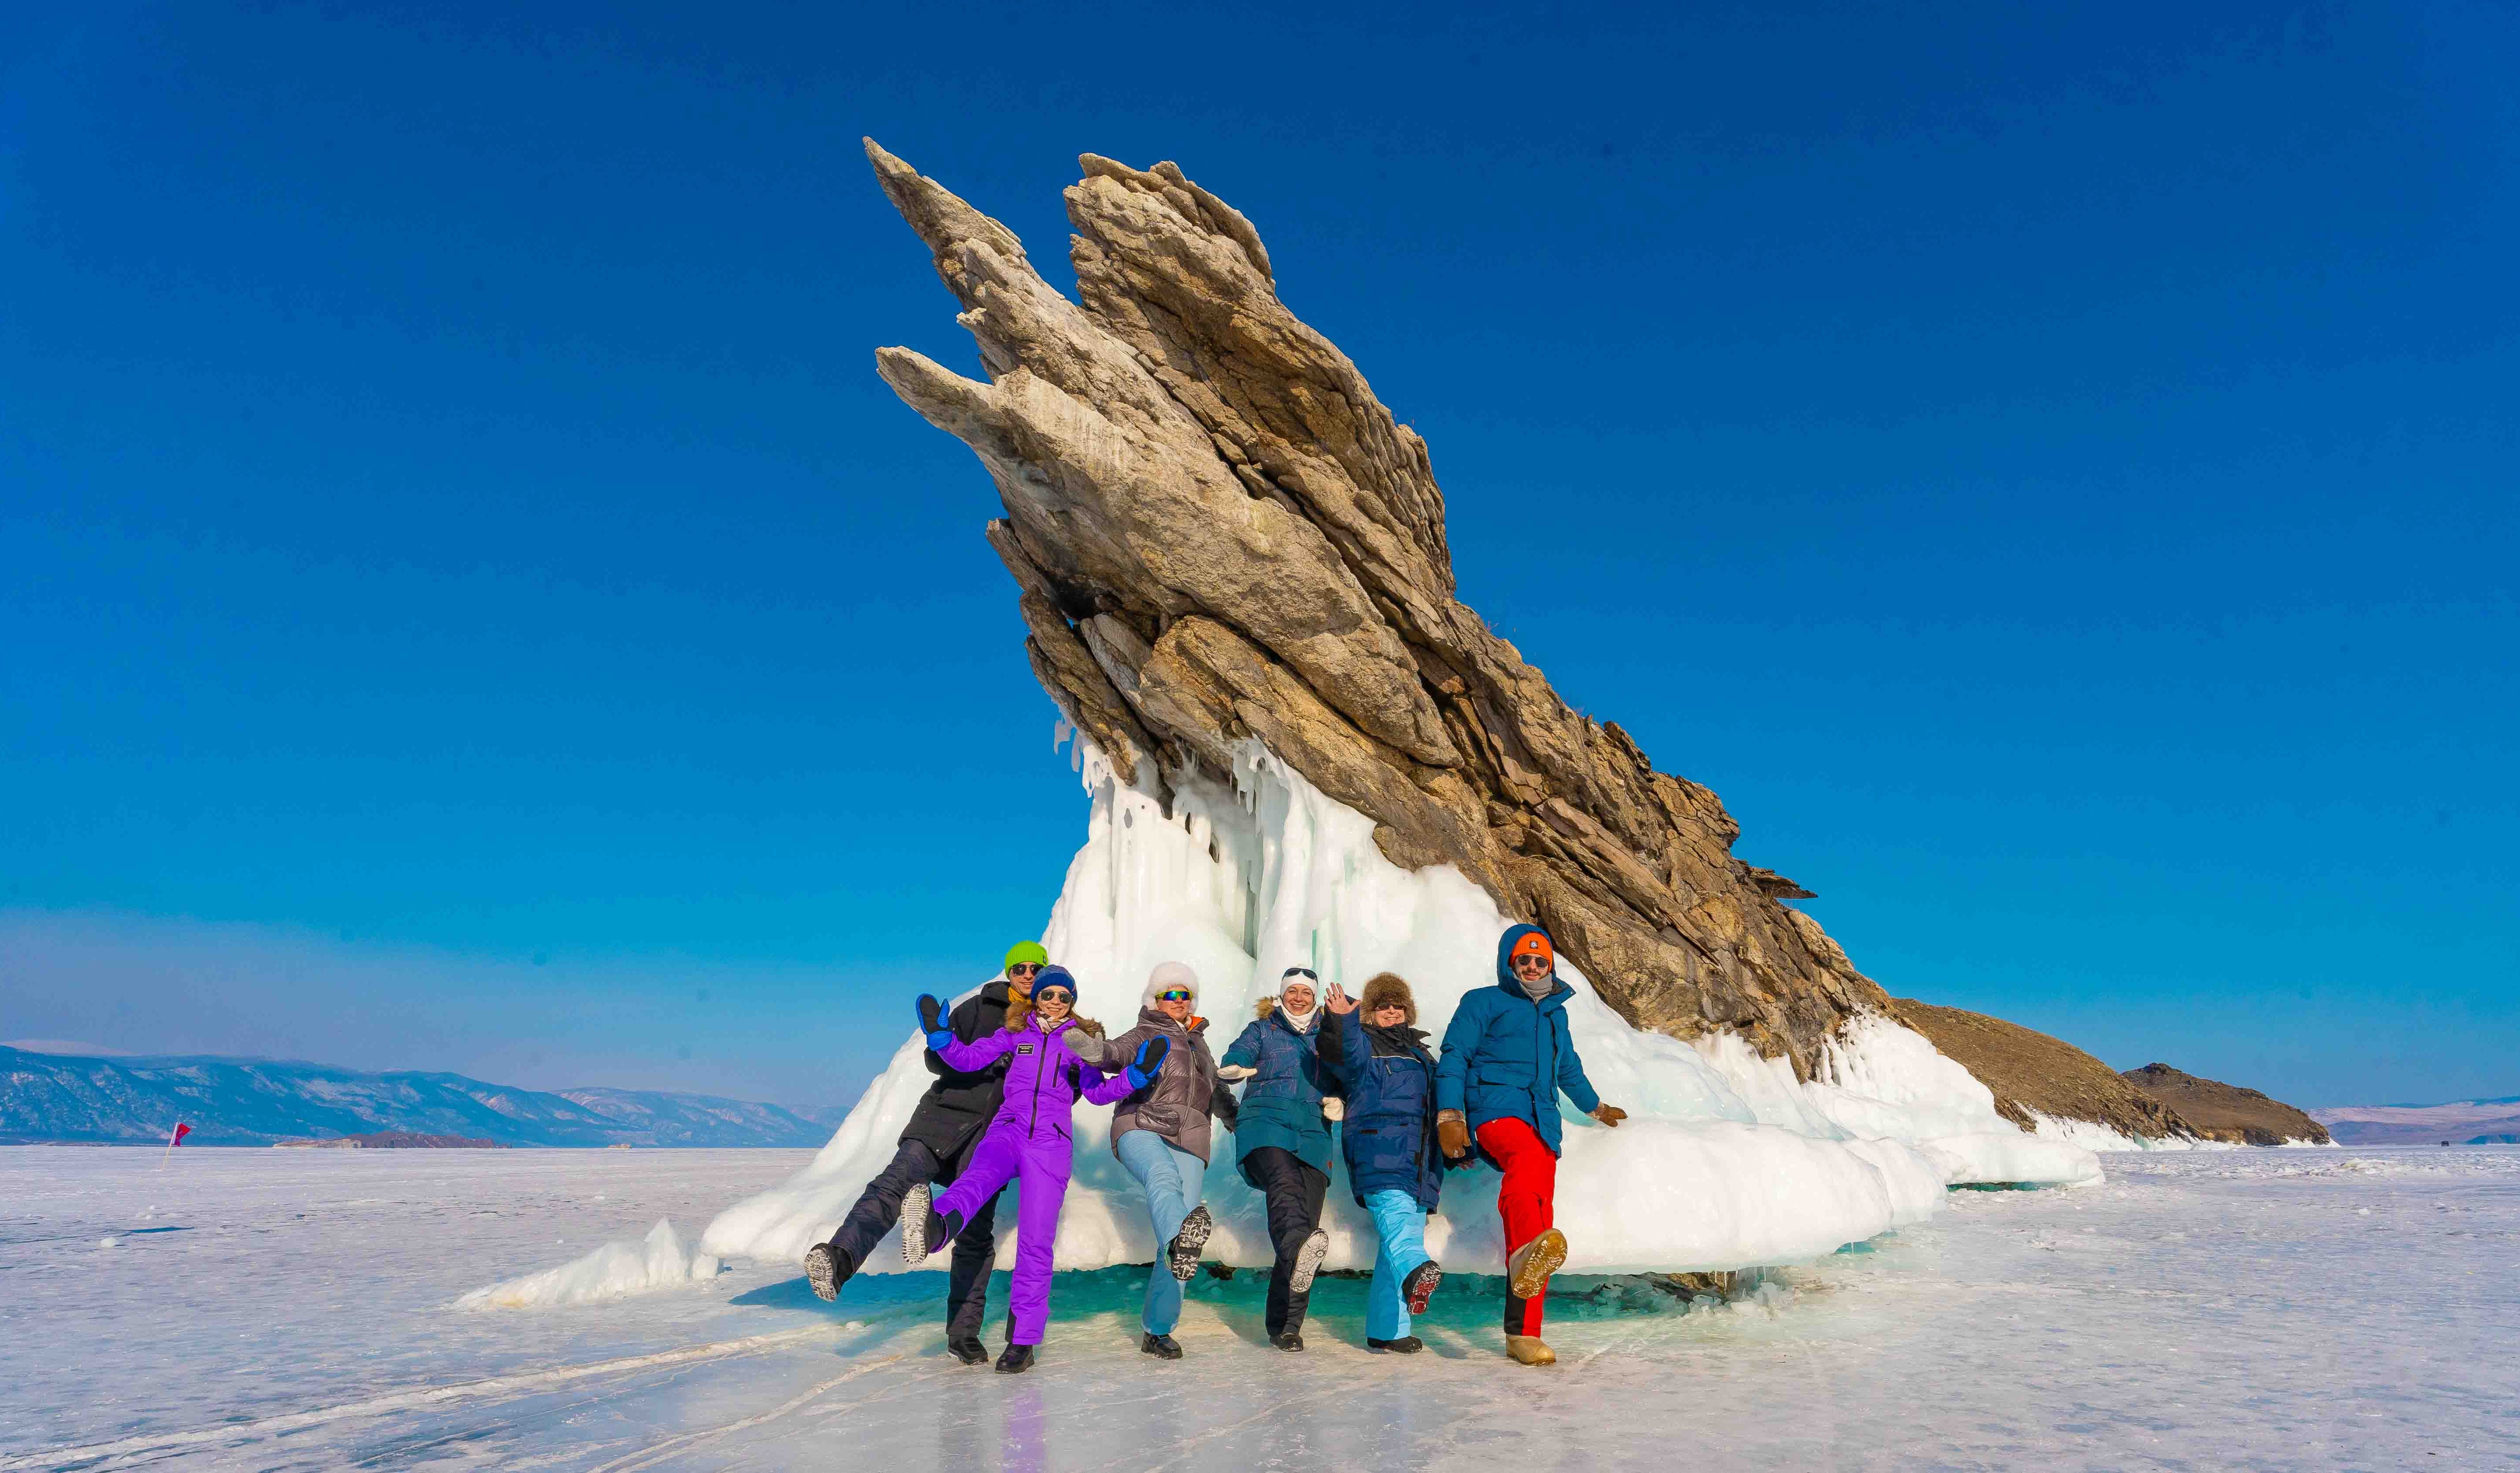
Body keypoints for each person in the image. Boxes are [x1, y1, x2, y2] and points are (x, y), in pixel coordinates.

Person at [899, 965, 1166, 1373]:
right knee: (974, 1181)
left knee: (1036, 1241)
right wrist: (941, 1038)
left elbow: (1097, 1092)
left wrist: (1135, 1075)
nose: (1055, 1002)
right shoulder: (1014, 1032)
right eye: (1048, 994)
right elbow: (969, 1059)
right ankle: (934, 1228)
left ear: (1072, 1002)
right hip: (1007, 1130)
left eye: (1064, 996)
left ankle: (1022, 1342)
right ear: (1036, 998)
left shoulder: (1080, 1041)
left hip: (1050, 1143)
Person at [802, 941, 1055, 1365]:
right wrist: (950, 1044)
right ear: (1009, 971)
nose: (1028, 974)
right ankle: (839, 1258)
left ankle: (962, 1334)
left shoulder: (1050, 1019)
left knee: (974, 1231)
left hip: (991, 1136)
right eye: (1020, 967)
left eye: (1036, 968)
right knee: (890, 1186)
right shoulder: (978, 1008)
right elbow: (937, 1059)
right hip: (942, 1117)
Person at [1435, 925, 1629, 1367]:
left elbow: (1568, 1068)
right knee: (1523, 1163)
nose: (1533, 966)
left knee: (1541, 1219)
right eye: (1524, 959)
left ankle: (1523, 1334)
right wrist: (1450, 1115)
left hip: (1542, 1121)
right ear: (1509, 962)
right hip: (1494, 1109)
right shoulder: (1483, 1001)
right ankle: (1523, 1255)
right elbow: (1454, 1056)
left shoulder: (1556, 1014)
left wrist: (1596, 1107)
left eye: (1541, 960)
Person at [1104, 961, 1235, 1359]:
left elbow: (1216, 1092)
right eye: (1170, 994)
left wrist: (1240, 1121)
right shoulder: (1145, 1032)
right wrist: (1092, 1048)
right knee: (1163, 1179)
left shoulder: (1200, 1043)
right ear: (1155, 999)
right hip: (1142, 1124)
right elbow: (1115, 1053)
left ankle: (1158, 1330)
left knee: (1182, 1234)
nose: (1179, 1000)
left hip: (1191, 1139)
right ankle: (1178, 1243)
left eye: (1185, 995)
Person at [1318, 972, 1444, 1353]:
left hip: (1420, 1162)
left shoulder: (1422, 1054)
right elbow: (1343, 1054)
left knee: (1396, 1242)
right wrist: (1344, 1020)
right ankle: (1418, 1270)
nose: (1392, 1011)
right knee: (1400, 1230)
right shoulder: (1365, 1045)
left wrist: (1459, 1150)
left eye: (1398, 1006)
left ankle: (1387, 1330)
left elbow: (1436, 1108)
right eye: (1383, 1006)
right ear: (1370, 1013)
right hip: (1379, 1152)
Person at [1219, 965, 1342, 1349]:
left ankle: (1286, 1327)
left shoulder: (1328, 1035)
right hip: (1265, 1124)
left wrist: (1341, 1098)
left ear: (1315, 997)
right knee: (1286, 1190)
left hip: (1314, 1135)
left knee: (1303, 1224)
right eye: (1293, 991)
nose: (1299, 998)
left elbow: (1346, 1072)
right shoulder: (1262, 1029)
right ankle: (1297, 1251)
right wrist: (1235, 1065)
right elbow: (1241, 1050)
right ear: (1282, 994)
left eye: (1306, 992)